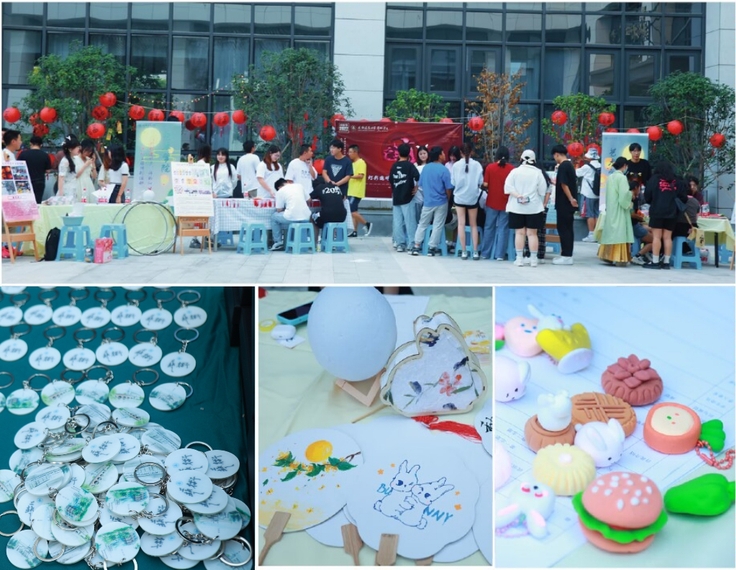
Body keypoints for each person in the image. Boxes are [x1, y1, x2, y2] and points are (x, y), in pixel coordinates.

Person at [504, 150, 548, 267]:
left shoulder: (514, 172)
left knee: (519, 233)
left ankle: (519, 259)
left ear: (521, 159)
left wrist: (518, 195)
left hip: (516, 207)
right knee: (532, 234)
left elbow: (508, 187)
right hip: (534, 207)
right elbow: (542, 191)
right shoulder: (538, 173)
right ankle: (533, 259)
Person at [643, 160, 688, 269]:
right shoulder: (677, 181)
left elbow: (647, 196)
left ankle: (655, 261)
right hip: (672, 213)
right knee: (668, 237)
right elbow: (684, 198)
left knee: (656, 237)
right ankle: (667, 262)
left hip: (657, 211)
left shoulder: (654, 180)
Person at [411, 147, 453, 257]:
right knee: (437, 225)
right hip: (441, 201)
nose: (444, 155)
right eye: (443, 153)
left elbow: (421, 184)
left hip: (428, 201)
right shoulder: (444, 170)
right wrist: (447, 199)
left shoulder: (426, 168)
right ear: (439, 156)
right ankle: (432, 248)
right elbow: (448, 188)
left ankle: (416, 246)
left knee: (422, 224)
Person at [597, 157, 634, 265]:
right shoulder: (622, 178)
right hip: (619, 209)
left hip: (611, 207)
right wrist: (630, 196)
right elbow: (624, 196)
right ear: (625, 166)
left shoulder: (610, 177)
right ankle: (619, 258)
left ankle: (607, 255)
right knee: (620, 232)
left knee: (611, 232)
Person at [451, 142, 484, 260]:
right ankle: (475, 251)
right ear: (472, 152)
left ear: (460, 153)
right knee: (473, 224)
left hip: (459, 197)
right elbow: (480, 182)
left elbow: (453, 182)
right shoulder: (477, 165)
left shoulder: (455, 166)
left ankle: (464, 251)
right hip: (472, 197)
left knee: (461, 223)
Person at [481, 146, 514, 260]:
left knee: (489, 227)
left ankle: (485, 253)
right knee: (503, 228)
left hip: (492, 201)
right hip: (506, 202)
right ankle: (499, 254)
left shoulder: (490, 167)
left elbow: (485, 184)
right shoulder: (512, 169)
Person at [389, 143, 420, 253]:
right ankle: (411, 244)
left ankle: (400, 244)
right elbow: (418, 177)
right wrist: (416, 187)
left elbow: (391, 181)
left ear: (398, 153)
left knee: (397, 222)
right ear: (409, 153)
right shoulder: (410, 166)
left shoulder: (394, 166)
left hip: (396, 197)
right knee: (410, 221)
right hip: (408, 197)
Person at [551, 144, 578, 265]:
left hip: (564, 203)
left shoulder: (563, 166)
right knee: (568, 228)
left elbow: (563, 184)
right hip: (569, 204)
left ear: (557, 154)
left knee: (564, 228)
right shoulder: (570, 165)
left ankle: (566, 255)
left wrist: (570, 198)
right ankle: (566, 254)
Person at [269, 178, 312, 251]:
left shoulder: (280, 191)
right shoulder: (299, 186)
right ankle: (307, 241)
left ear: (278, 187)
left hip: (292, 217)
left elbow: (279, 209)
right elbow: (309, 200)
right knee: (293, 216)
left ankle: (278, 242)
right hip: (306, 217)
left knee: (274, 217)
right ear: (286, 182)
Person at [576, 148, 601, 243]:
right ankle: (597, 234)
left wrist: (577, 164)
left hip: (588, 194)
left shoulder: (586, 167)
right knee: (597, 214)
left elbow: (576, 173)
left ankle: (591, 234)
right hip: (598, 194)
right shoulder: (600, 165)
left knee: (589, 214)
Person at [17, 136, 51, 203]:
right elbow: (48, 170)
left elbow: (18, 168)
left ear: (30, 143)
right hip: (39, 182)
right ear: (41, 145)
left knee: (25, 202)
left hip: (25, 182)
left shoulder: (23, 154)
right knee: (37, 202)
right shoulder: (45, 155)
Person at [346, 144, 371, 237]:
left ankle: (367, 224)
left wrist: (349, 176)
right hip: (351, 190)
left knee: (352, 211)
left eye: (350, 152)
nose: (349, 154)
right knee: (354, 211)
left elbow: (361, 175)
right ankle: (354, 231)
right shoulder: (352, 164)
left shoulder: (361, 162)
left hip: (356, 191)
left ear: (355, 152)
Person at [629, 179, 654, 265]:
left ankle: (645, 253)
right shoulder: (632, 198)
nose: (640, 191)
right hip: (634, 225)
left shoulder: (630, 197)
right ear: (636, 188)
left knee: (650, 230)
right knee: (654, 240)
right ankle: (638, 255)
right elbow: (632, 214)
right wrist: (640, 218)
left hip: (634, 224)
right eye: (639, 189)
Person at [673, 179, 700, 254]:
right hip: (693, 227)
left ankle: (678, 251)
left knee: (668, 234)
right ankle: (687, 249)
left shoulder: (679, 201)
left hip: (681, 227)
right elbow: (696, 216)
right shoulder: (696, 201)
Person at [412, 145, 429, 222]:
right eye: (420, 154)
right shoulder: (415, 165)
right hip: (418, 189)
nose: (423, 155)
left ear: (427, 154)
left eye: (424, 153)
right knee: (419, 205)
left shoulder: (430, 165)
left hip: (428, 190)